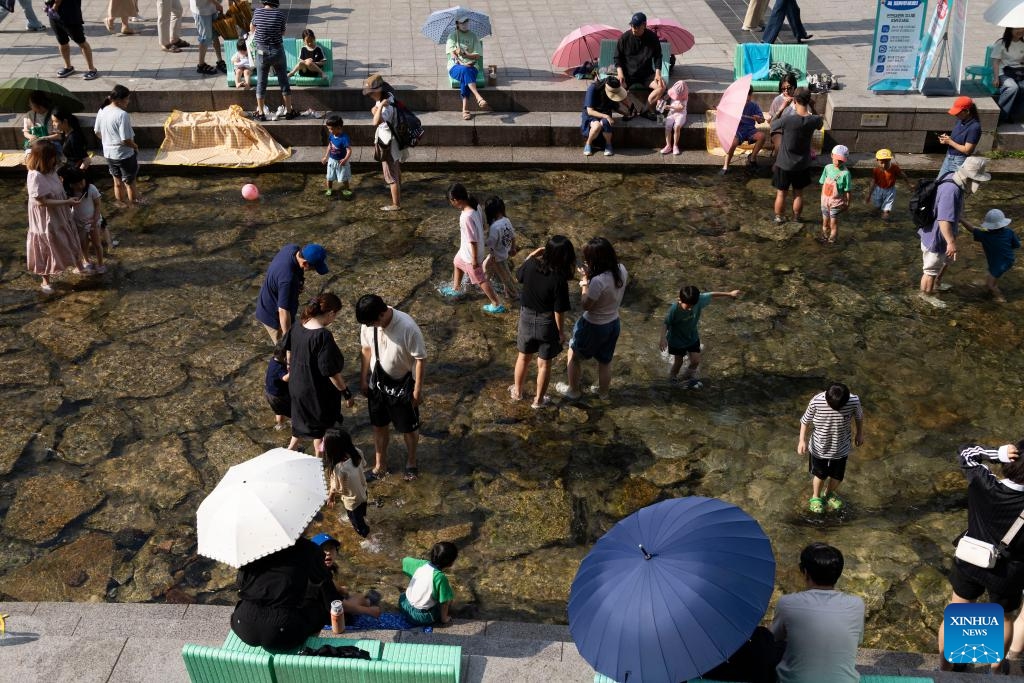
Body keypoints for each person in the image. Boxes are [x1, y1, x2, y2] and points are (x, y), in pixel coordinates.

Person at [937, 440, 1024, 673]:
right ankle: (995, 670)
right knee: (1004, 618)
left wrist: (997, 453)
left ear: (1009, 461)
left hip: (971, 560)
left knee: (958, 611)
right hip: (1008, 572)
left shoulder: (983, 483)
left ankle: (947, 668)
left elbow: (965, 451)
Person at [356, 294, 427, 481]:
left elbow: (420, 359)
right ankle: (380, 466)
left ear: (381, 315)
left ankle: (411, 462)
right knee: (378, 426)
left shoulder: (408, 327)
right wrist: (363, 378)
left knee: (408, 429)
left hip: (402, 385)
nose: (368, 327)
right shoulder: (368, 324)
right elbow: (366, 350)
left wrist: (417, 390)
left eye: (371, 323)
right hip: (378, 383)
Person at [770, 543, 863, 683]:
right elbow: (858, 640)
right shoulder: (857, 604)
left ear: (805, 572)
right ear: (838, 573)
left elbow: (775, 638)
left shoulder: (787, 602)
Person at [229, 535, 341, 650]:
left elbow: (241, 583)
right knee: (319, 609)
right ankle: (307, 650)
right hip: (280, 632)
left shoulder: (255, 545)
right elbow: (322, 579)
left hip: (242, 623)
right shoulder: (308, 549)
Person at [282, 293, 355, 453]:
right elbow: (331, 372)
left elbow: (288, 349)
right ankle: (319, 463)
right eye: (335, 315)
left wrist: (290, 369)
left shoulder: (298, 326)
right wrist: (346, 392)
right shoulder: (323, 336)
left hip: (297, 386)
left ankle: (289, 452)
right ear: (330, 313)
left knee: (300, 423)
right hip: (315, 392)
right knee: (321, 432)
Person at [556, 237, 627, 401]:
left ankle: (574, 390)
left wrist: (585, 283)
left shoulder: (598, 281)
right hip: (614, 323)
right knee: (605, 361)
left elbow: (586, 305)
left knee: (573, 355)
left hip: (593, 325)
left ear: (594, 260)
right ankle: (603, 394)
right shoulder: (622, 269)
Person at [511, 235, 575, 409]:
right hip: (546, 323)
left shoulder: (531, 265)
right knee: (544, 364)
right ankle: (538, 401)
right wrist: (561, 332)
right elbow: (558, 310)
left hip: (526, 317)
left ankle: (517, 392)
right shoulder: (559, 279)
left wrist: (531, 255)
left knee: (523, 357)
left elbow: (518, 275)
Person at [919, 156, 991, 308]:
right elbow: (943, 219)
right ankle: (925, 295)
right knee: (930, 270)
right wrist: (951, 243)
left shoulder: (952, 176)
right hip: (936, 237)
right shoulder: (951, 190)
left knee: (945, 262)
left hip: (940, 234)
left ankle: (937, 284)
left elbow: (951, 214)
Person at [25, 139, 89, 295]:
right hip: (45, 217)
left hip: (60, 212)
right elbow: (41, 201)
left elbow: (57, 191)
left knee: (67, 237)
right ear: (44, 157)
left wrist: (67, 199)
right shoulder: (35, 175)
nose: (56, 159)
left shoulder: (51, 170)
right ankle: (45, 281)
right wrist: (66, 201)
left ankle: (78, 266)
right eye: (53, 156)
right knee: (46, 244)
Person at [439, 183, 507, 314]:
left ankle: (496, 303)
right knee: (456, 262)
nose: (451, 204)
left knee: (480, 279)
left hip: (471, 255)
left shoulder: (466, 217)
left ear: (455, 200)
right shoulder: (475, 205)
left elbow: (473, 241)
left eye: (451, 201)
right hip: (466, 250)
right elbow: (483, 225)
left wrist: (475, 260)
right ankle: (456, 288)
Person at [797, 382, 864, 514]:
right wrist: (802, 440)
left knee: (837, 476)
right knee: (820, 474)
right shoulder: (816, 401)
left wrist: (860, 433)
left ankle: (828, 493)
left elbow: (859, 416)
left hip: (842, 446)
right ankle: (816, 497)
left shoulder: (853, 400)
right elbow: (805, 421)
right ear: (827, 398)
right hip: (819, 446)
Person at [659, 285, 741, 387]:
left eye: (692, 306)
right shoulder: (674, 309)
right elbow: (666, 323)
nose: (690, 309)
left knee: (696, 361)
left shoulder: (697, 299)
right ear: (680, 299)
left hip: (692, 337)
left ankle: (687, 376)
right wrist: (663, 338)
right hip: (676, 340)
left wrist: (729, 294)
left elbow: (711, 294)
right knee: (678, 362)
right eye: (688, 306)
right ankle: (672, 378)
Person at [254, 242, 329, 343]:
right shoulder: (287, 279)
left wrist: (298, 283)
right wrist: (287, 342)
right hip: (272, 315)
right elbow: (283, 312)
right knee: (286, 354)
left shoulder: (292, 249)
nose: (313, 270)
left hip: (272, 298)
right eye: (313, 268)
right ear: (305, 263)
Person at [769, 87, 822, 225]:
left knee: (781, 193)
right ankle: (797, 218)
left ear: (795, 100)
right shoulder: (813, 120)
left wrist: (782, 107)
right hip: (802, 164)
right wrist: (813, 107)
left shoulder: (788, 120)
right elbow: (820, 123)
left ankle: (778, 218)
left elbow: (772, 124)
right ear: (808, 100)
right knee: (798, 193)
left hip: (784, 164)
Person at [311, 534, 383, 620]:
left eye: (331, 548)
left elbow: (330, 584)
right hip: (325, 618)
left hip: (315, 608)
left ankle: (366, 601)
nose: (328, 552)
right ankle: (369, 602)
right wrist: (369, 611)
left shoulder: (313, 568)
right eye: (323, 549)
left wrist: (340, 589)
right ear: (313, 553)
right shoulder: (322, 577)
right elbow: (341, 606)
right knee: (358, 599)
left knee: (348, 594)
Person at [93, 85, 142, 207]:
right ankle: (134, 205)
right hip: (124, 154)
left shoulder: (102, 110)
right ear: (119, 100)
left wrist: (107, 141)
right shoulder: (122, 115)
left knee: (117, 182)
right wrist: (135, 146)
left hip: (109, 153)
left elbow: (96, 131)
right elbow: (125, 140)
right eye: (127, 99)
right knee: (130, 183)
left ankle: (121, 204)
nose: (128, 101)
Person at [249, 0, 297, 121]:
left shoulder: (258, 12)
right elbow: (282, 32)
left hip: (262, 53)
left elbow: (252, 28)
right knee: (283, 81)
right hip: (277, 52)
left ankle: (260, 113)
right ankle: (289, 111)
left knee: (261, 82)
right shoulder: (280, 14)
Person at [322, 427, 371, 544]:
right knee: (362, 512)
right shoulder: (357, 452)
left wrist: (331, 497)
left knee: (357, 523)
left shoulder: (339, 468)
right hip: (363, 491)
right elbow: (363, 465)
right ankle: (364, 520)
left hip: (352, 501)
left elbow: (338, 488)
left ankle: (369, 539)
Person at [363, 73, 404, 212]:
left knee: (390, 175)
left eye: (371, 93)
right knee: (396, 168)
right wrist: (375, 109)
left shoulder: (385, 105)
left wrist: (379, 108)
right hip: (395, 139)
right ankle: (398, 187)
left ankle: (396, 204)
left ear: (379, 90)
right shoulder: (389, 96)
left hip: (387, 142)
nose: (369, 96)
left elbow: (375, 121)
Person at [962, 208, 1020, 303]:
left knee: (990, 285)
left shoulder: (985, 235)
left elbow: (971, 229)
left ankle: (1001, 298)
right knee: (991, 278)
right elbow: (1016, 245)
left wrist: (961, 219)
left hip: (998, 265)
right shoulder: (1009, 232)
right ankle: (991, 289)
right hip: (1008, 259)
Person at [614, 12, 665, 119]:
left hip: (646, 74)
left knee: (661, 87)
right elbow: (617, 57)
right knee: (615, 88)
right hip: (628, 74)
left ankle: (644, 110)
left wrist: (658, 73)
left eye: (637, 26)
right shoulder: (624, 38)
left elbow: (658, 56)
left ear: (644, 25)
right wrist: (620, 73)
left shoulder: (652, 37)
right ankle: (631, 110)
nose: (634, 28)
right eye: (632, 25)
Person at [400, 542, 458, 627]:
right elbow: (444, 603)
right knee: (448, 598)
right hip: (420, 617)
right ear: (451, 563)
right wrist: (444, 619)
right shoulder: (440, 577)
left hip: (404, 605)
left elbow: (405, 560)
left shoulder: (421, 564)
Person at [64, 168, 106, 274]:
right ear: (70, 184)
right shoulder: (70, 192)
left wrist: (95, 218)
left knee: (97, 243)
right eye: (76, 184)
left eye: (81, 182)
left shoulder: (91, 188)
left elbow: (97, 204)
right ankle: (86, 260)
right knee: (83, 243)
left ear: (85, 179)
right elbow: (67, 207)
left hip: (93, 221)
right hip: (78, 222)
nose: (80, 186)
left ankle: (100, 263)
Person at [446, 15, 488, 120]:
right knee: (465, 70)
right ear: (457, 24)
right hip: (455, 67)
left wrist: (466, 55)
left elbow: (477, 55)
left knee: (466, 73)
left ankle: (465, 108)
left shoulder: (473, 36)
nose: (464, 25)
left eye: (466, 22)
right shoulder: (452, 36)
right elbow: (452, 55)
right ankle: (478, 97)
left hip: (472, 66)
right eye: (461, 23)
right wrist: (456, 52)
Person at [47, 0, 100, 80]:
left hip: (70, 15)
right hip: (55, 16)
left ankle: (92, 69)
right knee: (62, 42)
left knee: (81, 42)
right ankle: (68, 67)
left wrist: (55, 6)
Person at [721, 86, 765, 174]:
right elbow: (727, 119)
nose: (746, 101)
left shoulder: (754, 106)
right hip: (738, 130)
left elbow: (762, 120)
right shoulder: (733, 105)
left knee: (762, 136)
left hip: (750, 130)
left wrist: (758, 118)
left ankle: (752, 158)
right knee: (732, 143)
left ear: (751, 96)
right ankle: (726, 165)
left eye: (748, 98)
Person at [580, 76, 628, 157]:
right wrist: (606, 116)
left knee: (606, 123)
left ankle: (608, 144)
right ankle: (588, 143)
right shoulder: (593, 88)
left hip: (605, 113)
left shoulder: (614, 92)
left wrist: (625, 113)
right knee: (596, 126)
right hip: (592, 114)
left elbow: (614, 107)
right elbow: (590, 111)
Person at [482, 196, 518, 300]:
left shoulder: (494, 227)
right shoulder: (506, 220)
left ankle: (514, 295)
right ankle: (484, 283)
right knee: (485, 266)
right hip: (502, 252)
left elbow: (491, 242)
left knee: (505, 277)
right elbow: (513, 235)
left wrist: (482, 242)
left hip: (497, 257)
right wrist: (513, 248)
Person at [937, 96, 981, 178]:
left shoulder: (974, 127)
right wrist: (947, 139)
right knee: (938, 184)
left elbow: (967, 150)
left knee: (953, 186)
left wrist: (950, 142)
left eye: (958, 112)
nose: (956, 114)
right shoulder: (960, 120)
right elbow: (959, 138)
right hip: (949, 157)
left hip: (959, 161)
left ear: (967, 111)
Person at [864, 148, 911, 222]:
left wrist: (909, 184)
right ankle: (874, 214)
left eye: (886, 162)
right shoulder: (876, 170)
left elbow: (903, 175)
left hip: (890, 191)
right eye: (882, 162)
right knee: (877, 207)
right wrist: (869, 194)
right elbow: (873, 181)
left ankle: (884, 219)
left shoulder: (894, 168)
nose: (884, 165)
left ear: (890, 160)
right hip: (878, 189)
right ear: (877, 161)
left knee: (886, 210)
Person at [818, 144, 852, 244]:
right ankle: (824, 236)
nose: (838, 162)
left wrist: (847, 203)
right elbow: (822, 183)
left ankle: (832, 239)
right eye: (836, 159)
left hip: (836, 202)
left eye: (841, 160)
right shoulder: (827, 168)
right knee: (825, 222)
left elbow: (848, 190)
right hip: (825, 201)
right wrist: (822, 198)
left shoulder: (846, 173)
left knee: (833, 223)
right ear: (832, 155)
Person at [991, 27, 1024, 124]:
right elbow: (995, 62)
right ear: (1010, 30)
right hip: (1004, 73)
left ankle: (1014, 114)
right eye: (1017, 29)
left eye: (1022, 29)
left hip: (1019, 72)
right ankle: (1000, 116)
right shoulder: (1001, 43)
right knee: (1012, 88)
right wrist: (996, 78)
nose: (1020, 31)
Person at [191, 0, 225, 76]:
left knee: (215, 35)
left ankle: (219, 60)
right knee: (205, 38)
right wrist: (216, 3)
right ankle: (201, 65)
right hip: (201, 10)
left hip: (212, 8)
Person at [321, 113, 352, 198]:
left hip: (341, 161)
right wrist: (326, 157)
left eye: (331, 129)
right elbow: (330, 146)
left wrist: (345, 159)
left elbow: (349, 150)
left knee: (344, 177)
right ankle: (329, 189)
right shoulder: (331, 135)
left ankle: (346, 189)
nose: (329, 131)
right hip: (332, 160)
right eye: (328, 129)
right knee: (329, 176)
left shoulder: (344, 138)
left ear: (338, 128)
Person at [264, 346, 290, 430]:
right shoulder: (278, 368)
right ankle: (286, 424)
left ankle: (280, 425)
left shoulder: (273, 360)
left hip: (269, 393)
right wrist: (292, 370)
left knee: (278, 410)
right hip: (278, 396)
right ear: (284, 357)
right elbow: (285, 378)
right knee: (290, 410)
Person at [660, 79, 688, 156]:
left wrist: (670, 107)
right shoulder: (672, 91)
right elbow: (665, 97)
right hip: (671, 113)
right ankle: (668, 145)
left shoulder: (684, 97)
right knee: (668, 126)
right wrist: (660, 101)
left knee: (677, 127)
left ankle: (675, 145)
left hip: (680, 114)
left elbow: (681, 108)